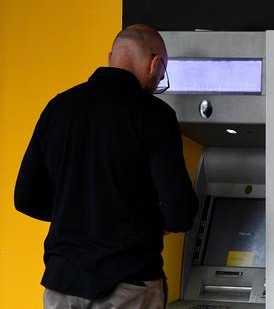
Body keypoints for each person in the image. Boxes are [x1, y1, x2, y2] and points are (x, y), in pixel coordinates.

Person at [14, 24, 199, 309]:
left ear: (111, 56)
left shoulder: (59, 108)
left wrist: (80, 217)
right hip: (128, 284)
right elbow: (180, 212)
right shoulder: (154, 116)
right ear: (155, 64)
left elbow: (25, 197)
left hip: (63, 284)